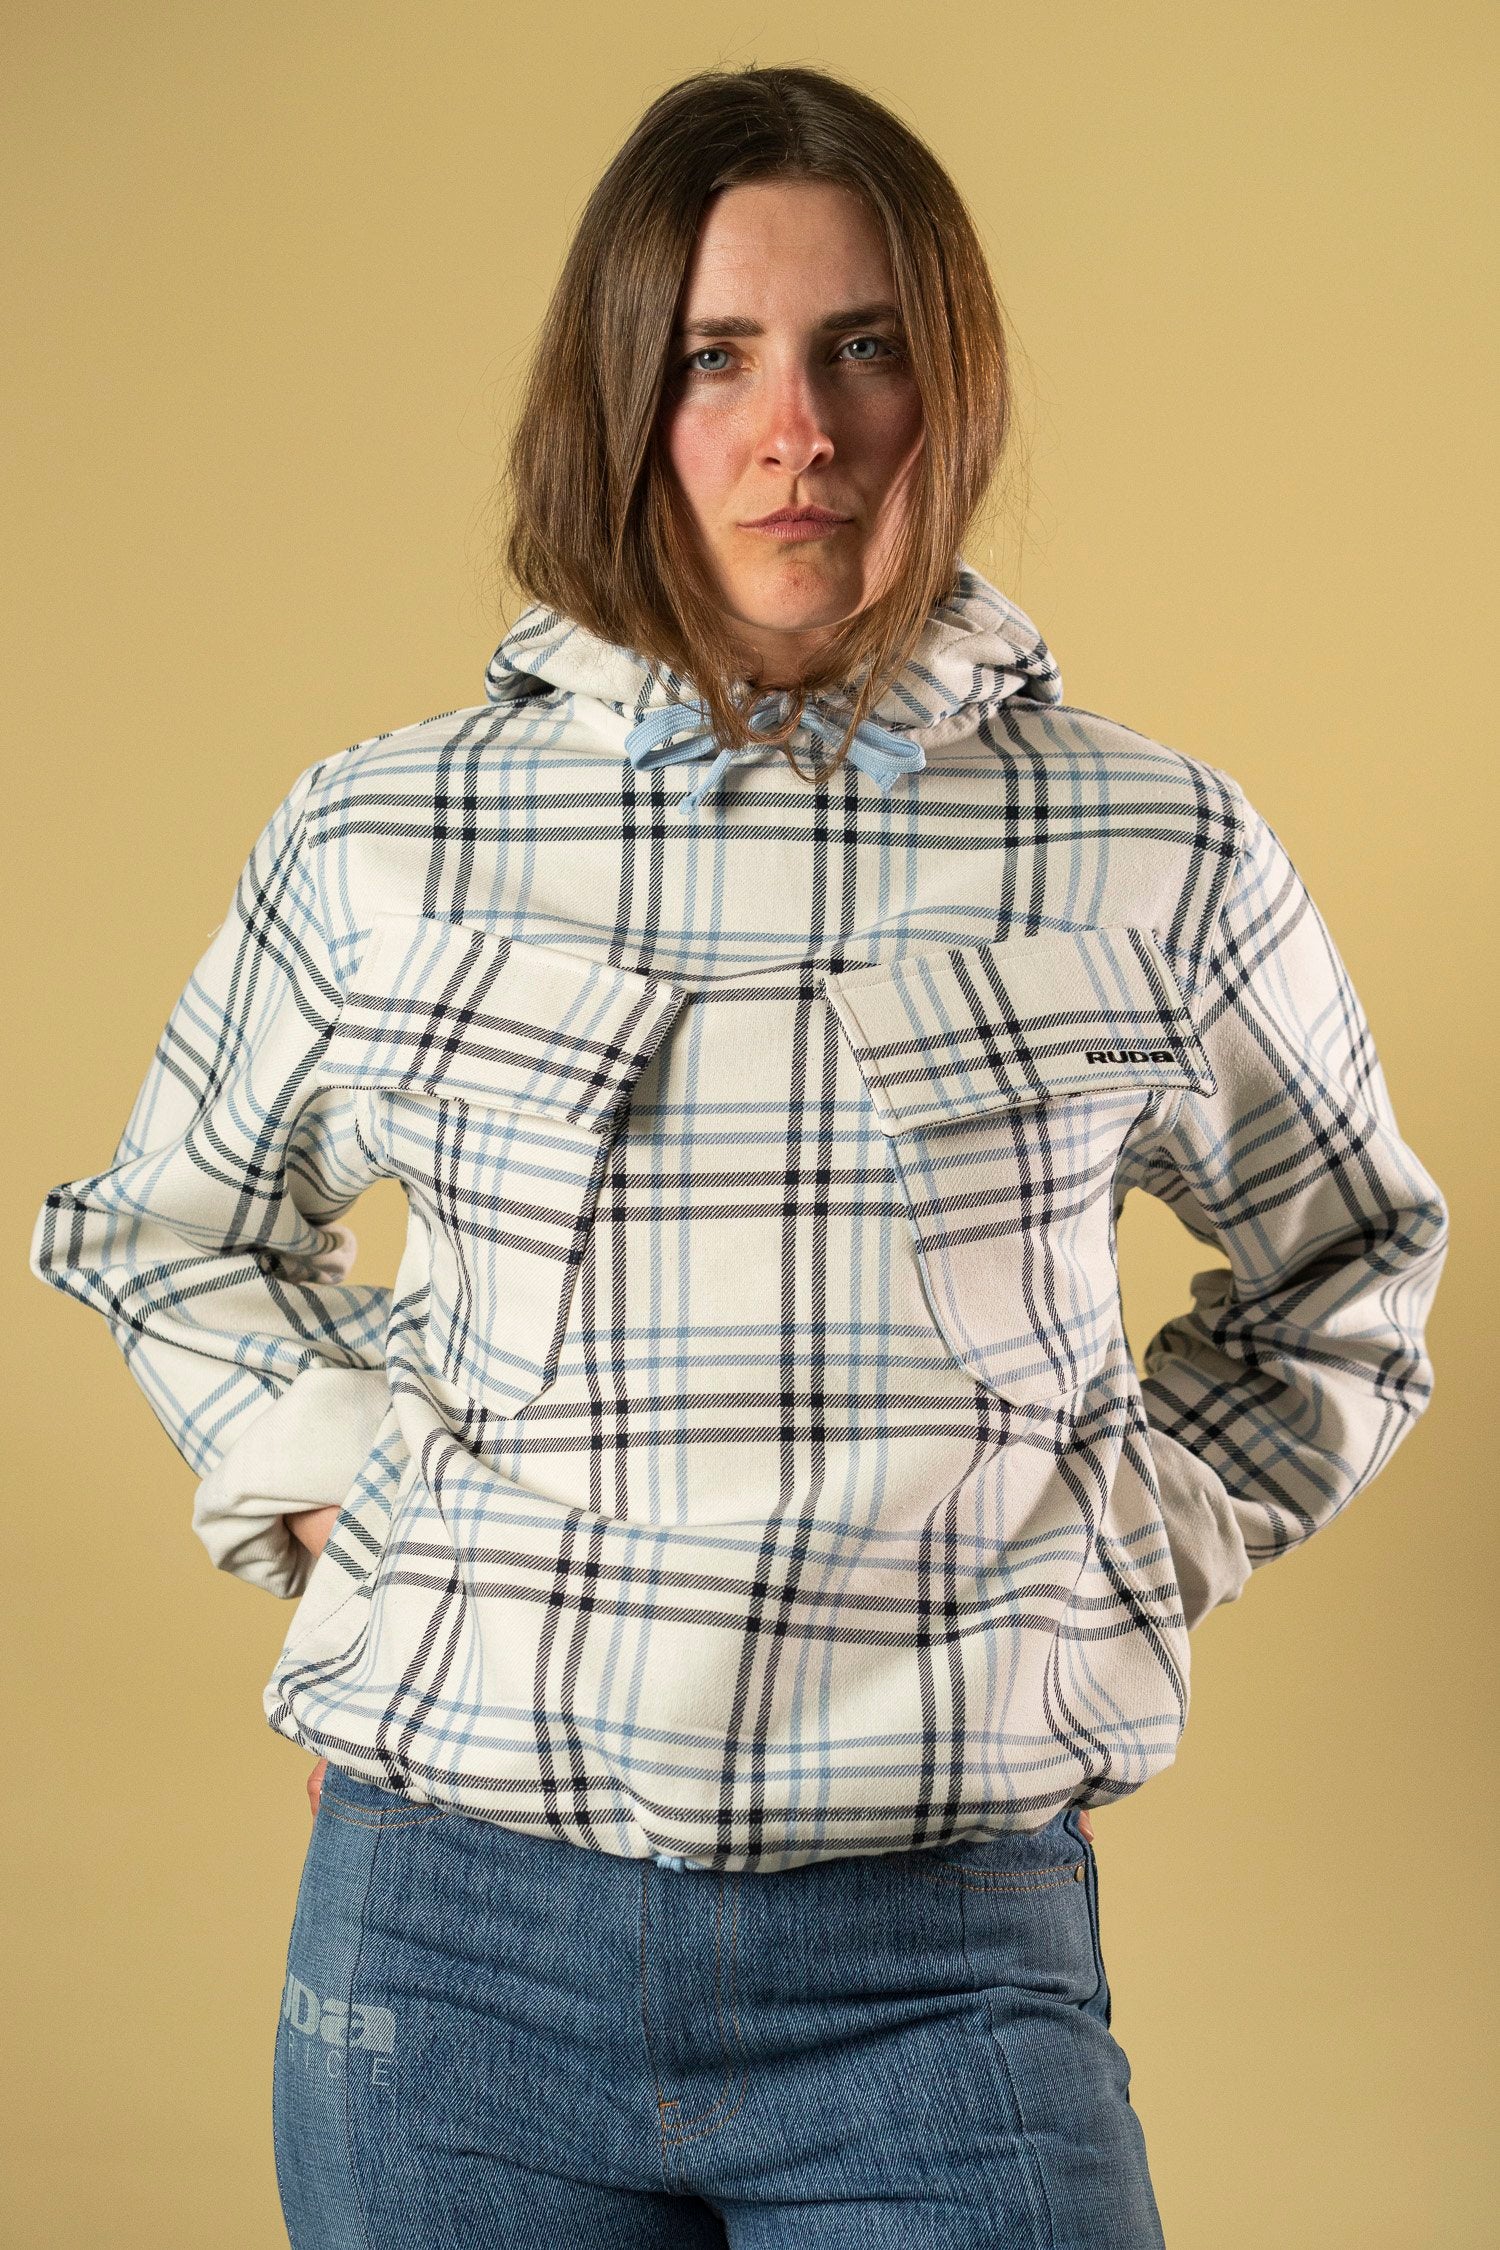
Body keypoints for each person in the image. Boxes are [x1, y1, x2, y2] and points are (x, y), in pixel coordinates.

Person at [29, 62, 1448, 2250]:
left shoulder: (1154, 845)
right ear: (625, 398)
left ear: (947, 388)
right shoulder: (385, 833)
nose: (798, 428)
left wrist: (1108, 1554)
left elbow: (1353, 1274)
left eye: (862, 347)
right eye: (718, 357)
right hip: (447, 1951)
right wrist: (363, 1521)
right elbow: (171, 1231)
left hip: (942, 1966)